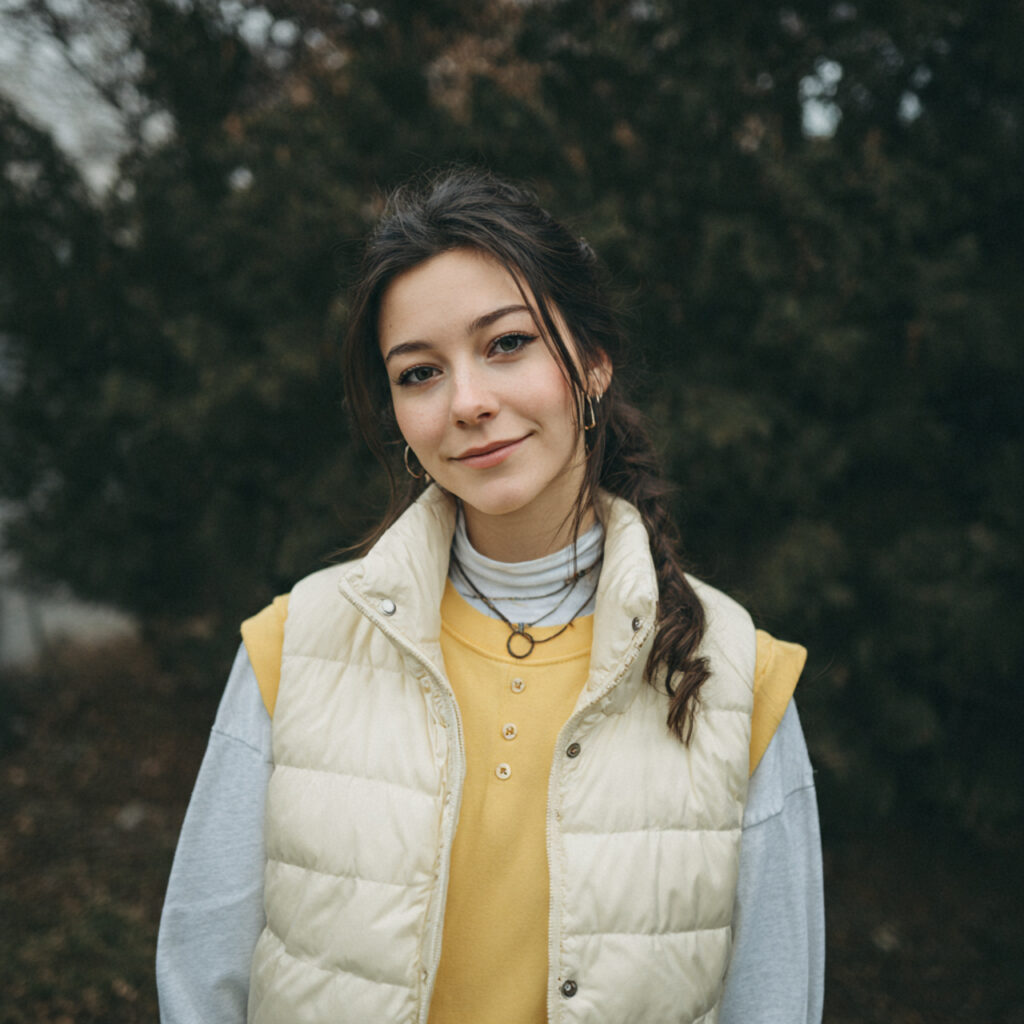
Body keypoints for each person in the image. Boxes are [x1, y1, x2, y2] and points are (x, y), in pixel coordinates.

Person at [156, 168, 824, 1023]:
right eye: (419, 372)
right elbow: (201, 974)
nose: (467, 403)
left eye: (506, 344)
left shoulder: (736, 672)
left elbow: (775, 1000)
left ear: (590, 363)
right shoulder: (297, 646)